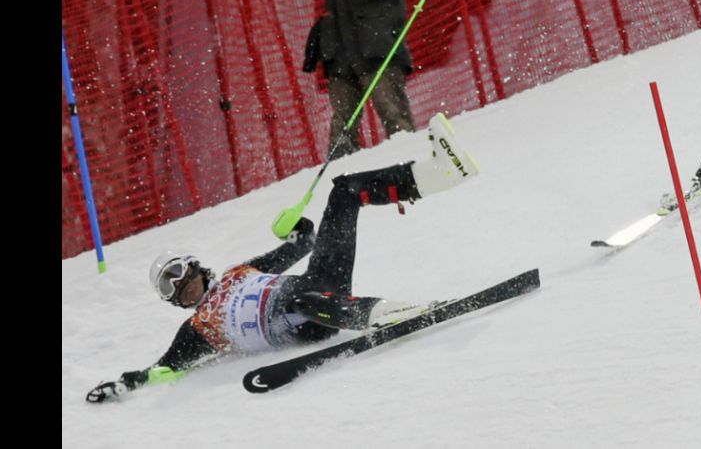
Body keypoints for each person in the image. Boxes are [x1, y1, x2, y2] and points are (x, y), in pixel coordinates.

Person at [86, 113, 480, 403]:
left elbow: (302, 243)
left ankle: (439, 174)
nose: (178, 285)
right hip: (303, 321)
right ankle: (387, 313)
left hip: (319, 281)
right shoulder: (198, 328)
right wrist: (126, 383)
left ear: (195, 266)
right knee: (301, 303)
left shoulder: (239, 272)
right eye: (168, 288)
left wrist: (291, 227)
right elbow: (165, 368)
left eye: (177, 273)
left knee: (343, 191)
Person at [293, 0, 416, 159]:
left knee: (394, 115)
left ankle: (412, 170)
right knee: (342, 127)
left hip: (376, 35)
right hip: (340, 41)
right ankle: (344, 179)